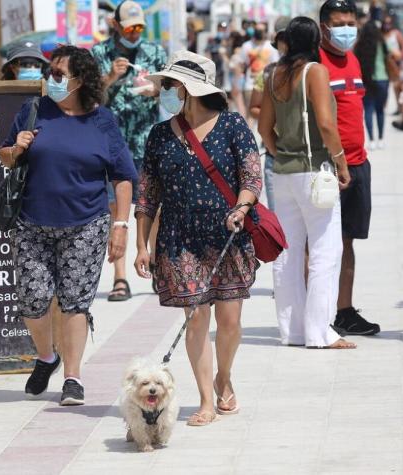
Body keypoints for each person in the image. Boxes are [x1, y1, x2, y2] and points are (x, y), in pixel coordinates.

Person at [0, 45, 137, 404]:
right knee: (33, 300)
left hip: (86, 223)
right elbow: (4, 156)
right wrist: (16, 148)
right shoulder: (34, 110)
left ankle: (73, 377)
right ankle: (47, 355)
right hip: (32, 222)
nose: (51, 80)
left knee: (75, 302)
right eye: (50, 73)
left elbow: (122, 177)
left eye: (58, 74)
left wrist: (120, 225)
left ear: (80, 80)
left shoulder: (102, 120)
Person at [135, 51, 262, 426]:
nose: (167, 91)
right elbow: (147, 194)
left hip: (228, 234)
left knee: (230, 321)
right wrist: (142, 244)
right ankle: (207, 398)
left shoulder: (232, 126)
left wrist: (241, 207)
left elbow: (252, 176)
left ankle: (224, 376)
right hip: (179, 239)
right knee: (195, 319)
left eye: (172, 85)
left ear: (190, 89)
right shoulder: (160, 135)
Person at [258, 17, 354, 350]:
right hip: (314, 172)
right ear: (316, 40)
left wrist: (283, 154)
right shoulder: (314, 71)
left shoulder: (273, 75)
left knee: (288, 252)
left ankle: (293, 331)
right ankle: (320, 332)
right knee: (326, 251)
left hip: (282, 173)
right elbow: (327, 125)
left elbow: (264, 129)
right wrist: (341, 163)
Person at [91, 1, 167, 302]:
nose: (134, 34)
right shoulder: (100, 54)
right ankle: (120, 277)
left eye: (139, 28)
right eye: (129, 27)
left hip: (148, 140)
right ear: (115, 25)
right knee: (115, 209)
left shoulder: (155, 52)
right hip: (111, 142)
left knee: (154, 207)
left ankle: (154, 265)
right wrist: (109, 77)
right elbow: (90, 98)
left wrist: (157, 89)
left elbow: (174, 92)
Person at [319, 0, 381, 336]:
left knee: (347, 242)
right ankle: (315, 314)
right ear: (324, 27)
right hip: (329, 166)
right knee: (318, 244)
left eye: (351, 23)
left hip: (359, 163)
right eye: (339, 23)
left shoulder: (353, 58)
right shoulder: (316, 63)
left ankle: (344, 311)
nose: (347, 29)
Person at [249, 16, 290, 209]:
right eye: (284, 38)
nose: (289, 43)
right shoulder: (267, 73)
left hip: (306, 157)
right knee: (278, 218)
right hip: (275, 155)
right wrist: (272, 116)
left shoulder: (311, 71)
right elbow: (254, 108)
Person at [354, 21, 391, 149]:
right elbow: (388, 58)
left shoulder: (359, 45)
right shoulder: (381, 43)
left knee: (368, 110)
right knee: (380, 110)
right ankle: (381, 139)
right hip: (382, 79)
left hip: (366, 81)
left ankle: (371, 140)